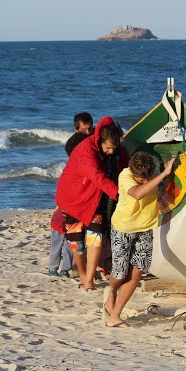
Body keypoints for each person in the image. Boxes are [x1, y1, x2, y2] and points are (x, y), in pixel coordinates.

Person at [103, 151, 179, 328]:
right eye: (141, 179)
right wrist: (163, 174)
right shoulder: (125, 175)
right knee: (119, 274)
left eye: (147, 178)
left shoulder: (151, 175)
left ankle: (115, 315)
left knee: (137, 273)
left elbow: (162, 193)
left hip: (145, 229)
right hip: (123, 228)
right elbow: (137, 194)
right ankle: (112, 291)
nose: (145, 182)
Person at [55, 116, 129, 292]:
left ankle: (89, 280)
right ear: (100, 141)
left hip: (96, 200)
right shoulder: (85, 151)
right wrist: (120, 194)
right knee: (76, 242)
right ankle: (82, 273)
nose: (111, 152)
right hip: (74, 199)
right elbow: (98, 177)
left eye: (114, 148)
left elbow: (124, 167)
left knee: (95, 238)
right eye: (108, 149)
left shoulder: (117, 150)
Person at [48, 112, 93, 277]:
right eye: (84, 130)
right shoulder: (71, 145)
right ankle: (53, 268)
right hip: (61, 221)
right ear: (76, 128)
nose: (88, 133)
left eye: (90, 128)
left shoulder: (94, 135)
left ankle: (65, 269)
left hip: (71, 218)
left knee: (70, 244)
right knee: (57, 246)